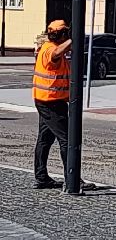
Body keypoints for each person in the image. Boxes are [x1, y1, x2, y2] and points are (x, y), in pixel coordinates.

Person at [33, 19, 72, 190]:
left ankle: (41, 177)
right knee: (67, 140)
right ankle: (72, 178)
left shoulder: (48, 47)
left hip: (48, 100)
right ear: (62, 34)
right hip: (51, 102)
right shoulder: (50, 49)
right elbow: (55, 54)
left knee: (45, 139)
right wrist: (73, 40)